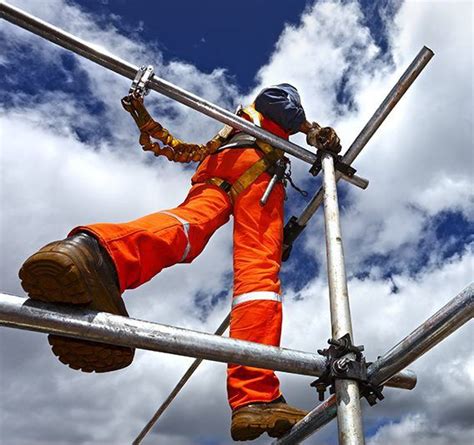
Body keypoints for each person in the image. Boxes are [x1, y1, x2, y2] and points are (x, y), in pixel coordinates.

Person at [19, 84, 340, 441]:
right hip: (257, 167)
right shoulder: (275, 102)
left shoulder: (238, 122)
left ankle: (100, 254)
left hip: (219, 169)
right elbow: (276, 101)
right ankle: (255, 395)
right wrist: (311, 130)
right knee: (257, 274)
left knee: (189, 229)